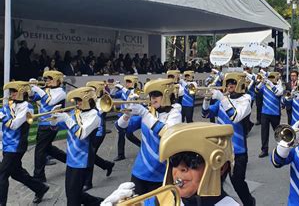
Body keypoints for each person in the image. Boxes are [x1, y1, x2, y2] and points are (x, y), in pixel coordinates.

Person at [101, 122, 238, 206]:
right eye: (174, 160)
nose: (180, 168)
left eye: (192, 161)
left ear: (220, 167)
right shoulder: (161, 199)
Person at [116, 78, 182, 195]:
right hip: (140, 171)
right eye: (151, 95)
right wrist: (126, 114)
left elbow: (167, 133)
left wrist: (144, 113)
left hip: (161, 173)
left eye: (156, 94)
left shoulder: (174, 113)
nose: (152, 98)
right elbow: (122, 127)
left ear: (167, 94)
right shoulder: (148, 112)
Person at [202, 73, 256, 206]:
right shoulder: (223, 99)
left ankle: (249, 203)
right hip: (220, 150)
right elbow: (206, 113)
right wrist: (207, 100)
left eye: (233, 82)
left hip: (238, 151)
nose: (230, 85)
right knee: (215, 184)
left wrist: (221, 98)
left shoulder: (246, 99)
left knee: (237, 183)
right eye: (228, 83)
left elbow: (235, 117)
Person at [51, 87, 103, 206]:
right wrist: (54, 119)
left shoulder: (95, 116)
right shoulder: (75, 113)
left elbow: (81, 134)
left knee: (73, 199)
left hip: (82, 160)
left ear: (88, 100)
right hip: (71, 158)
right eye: (76, 101)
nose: (77, 103)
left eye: (79, 100)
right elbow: (57, 127)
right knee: (72, 194)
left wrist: (66, 118)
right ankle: (98, 202)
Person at [0, 81, 50, 205]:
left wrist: (1, 115)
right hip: (7, 144)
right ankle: (40, 188)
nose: (11, 94)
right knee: (16, 173)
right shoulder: (10, 105)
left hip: (17, 146)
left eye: (14, 91)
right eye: (11, 92)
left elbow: (14, 125)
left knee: (2, 174)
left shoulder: (28, 107)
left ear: (23, 92)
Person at [30, 70, 67, 182]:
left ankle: (39, 176)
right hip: (42, 123)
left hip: (51, 124)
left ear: (58, 81)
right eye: (46, 79)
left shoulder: (61, 92)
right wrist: (31, 88)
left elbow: (50, 101)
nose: (47, 81)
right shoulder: (46, 90)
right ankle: (70, 161)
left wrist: (37, 88)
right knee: (48, 148)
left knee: (40, 150)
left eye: (50, 79)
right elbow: (33, 98)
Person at [83, 81, 115, 191]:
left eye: (91, 89)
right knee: (90, 154)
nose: (88, 92)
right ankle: (107, 165)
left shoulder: (103, 100)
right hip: (90, 131)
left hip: (98, 132)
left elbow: (97, 112)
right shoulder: (91, 100)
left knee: (89, 156)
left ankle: (88, 182)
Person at [112, 75, 142, 161]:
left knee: (127, 134)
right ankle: (121, 154)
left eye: (129, 82)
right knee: (125, 134)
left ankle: (142, 146)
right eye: (126, 82)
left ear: (134, 82)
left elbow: (133, 96)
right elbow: (112, 95)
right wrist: (115, 87)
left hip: (133, 116)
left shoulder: (138, 91)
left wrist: (121, 87)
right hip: (123, 116)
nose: (127, 83)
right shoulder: (122, 92)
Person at [256, 72, 284, 158]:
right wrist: (262, 82)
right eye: (270, 77)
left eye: (273, 77)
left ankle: (281, 149)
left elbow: (278, 93)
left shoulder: (279, 86)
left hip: (275, 113)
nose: (271, 79)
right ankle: (264, 150)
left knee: (277, 132)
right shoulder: (264, 86)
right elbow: (256, 90)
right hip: (265, 113)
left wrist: (270, 84)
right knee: (264, 133)